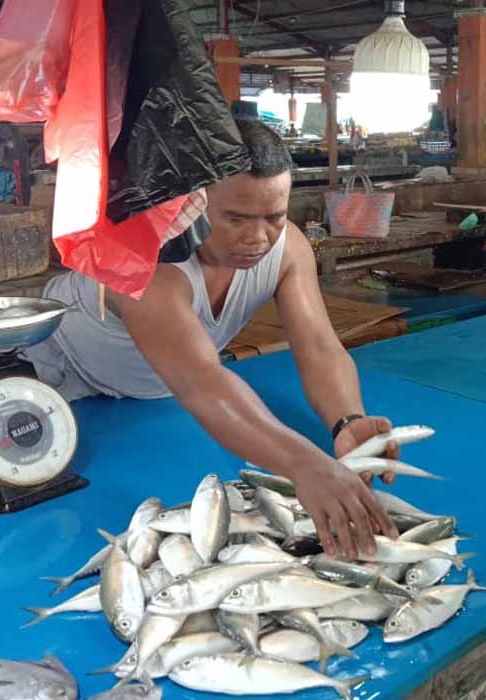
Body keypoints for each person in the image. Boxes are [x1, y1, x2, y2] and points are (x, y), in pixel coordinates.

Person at [24, 119, 400, 560]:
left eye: (274, 217)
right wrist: (304, 464)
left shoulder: (288, 249)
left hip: (157, 389)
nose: (258, 237)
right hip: (59, 377)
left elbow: (319, 347)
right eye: (236, 218)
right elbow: (202, 378)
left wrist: (346, 420)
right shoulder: (148, 259)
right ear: (194, 201)